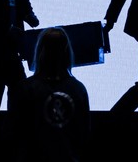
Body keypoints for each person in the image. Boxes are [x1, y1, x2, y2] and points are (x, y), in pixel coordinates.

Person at [8, 27, 91, 162]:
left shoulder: (24, 89)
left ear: (40, 52)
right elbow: (84, 134)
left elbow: (13, 133)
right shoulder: (78, 89)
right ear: (67, 53)